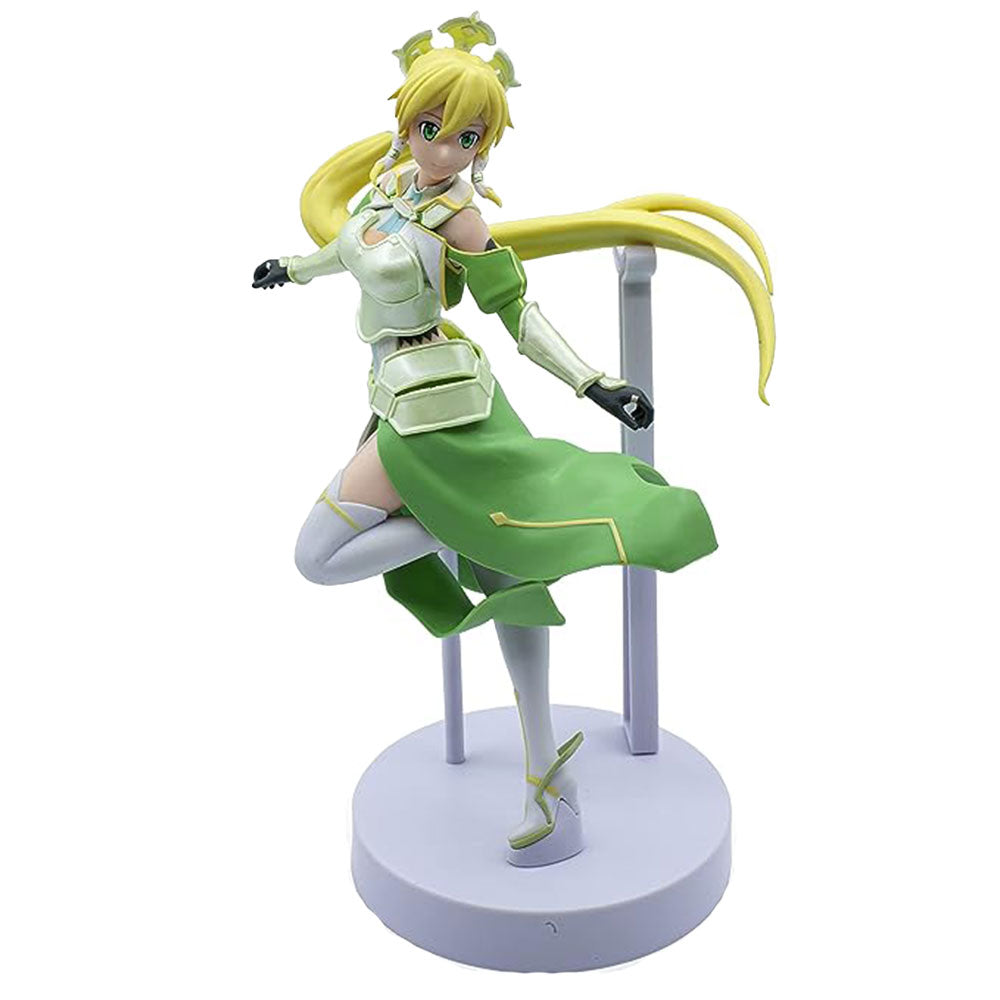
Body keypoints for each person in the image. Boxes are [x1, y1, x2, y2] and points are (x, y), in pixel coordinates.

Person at [252, 13, 775, 866]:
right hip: (398, 399)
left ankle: (540, 765)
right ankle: (547, 776)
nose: (445, 150)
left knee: (321, 555)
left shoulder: (459, 219)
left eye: (466, 138)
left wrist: (594, 382)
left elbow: (516, 310)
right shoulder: (386, 189)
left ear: (483, 145)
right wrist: (293, 268)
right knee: (496, 569)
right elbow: (345, 252)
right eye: (433, 127)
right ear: (406, 121)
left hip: (437, 417)